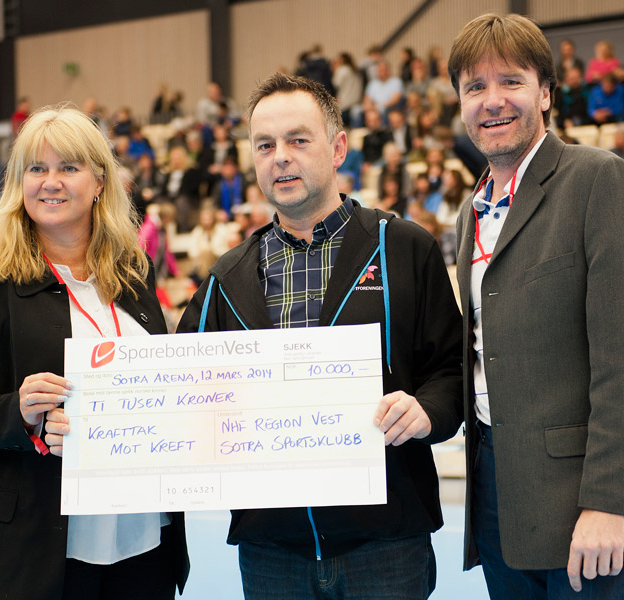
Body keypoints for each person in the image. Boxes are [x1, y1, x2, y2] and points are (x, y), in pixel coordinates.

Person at [177, 72, 462, 599]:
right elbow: (182, 387)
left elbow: (449, 367)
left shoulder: (403, 247)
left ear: (337, 149)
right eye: (265, 145)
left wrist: (428, 412)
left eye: (297, 140)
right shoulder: (226, 277)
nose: (280, 156)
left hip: (387, 546)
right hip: (272, 553)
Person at [0, 104, 189, 599]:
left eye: (68, 167)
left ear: (98, 183)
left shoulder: (134, 270)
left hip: (142, 540)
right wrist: (19, 411)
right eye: (36, 168)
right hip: (33, 547)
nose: (51, 181)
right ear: (19, 183)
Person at [448, 13, 624, 598]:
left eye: (510, 82)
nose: (493, 101)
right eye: (475, 87)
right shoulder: (471, 214)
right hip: (498, 504)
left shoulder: (600, 181)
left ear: (545, 91)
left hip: (587, 511)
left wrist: (609, 502)